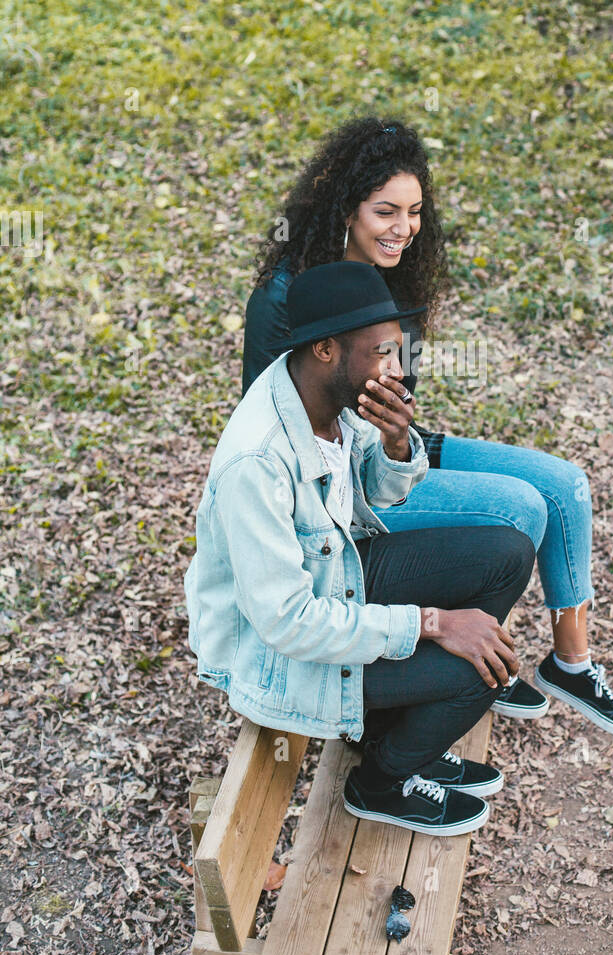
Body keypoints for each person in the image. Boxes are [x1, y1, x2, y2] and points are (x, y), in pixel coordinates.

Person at [242, 115, 613, 742]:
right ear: (347, 209)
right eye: (385, 212)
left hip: (395, 444)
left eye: (414, 211)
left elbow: (401, 393)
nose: (403, 229)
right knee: (521, 511)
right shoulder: (288, 297)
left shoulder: (396, 273)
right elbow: (273, 417)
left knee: (565, 485)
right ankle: (464, 667)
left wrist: (400, 438)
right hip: (344, 482)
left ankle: (572, 664)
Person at [184, 261, 537, 835]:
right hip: (282, 658)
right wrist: (432, 623)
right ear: (326, 349)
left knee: (508, 554)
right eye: (383, 353)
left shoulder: (333, 396)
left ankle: (392, 729)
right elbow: (287, 622)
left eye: (398, 353)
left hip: (337, 579)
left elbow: (370, 492)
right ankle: (383, 781)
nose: (398, 370)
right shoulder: (258, 462)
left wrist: (398, 442)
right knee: (481, 670)